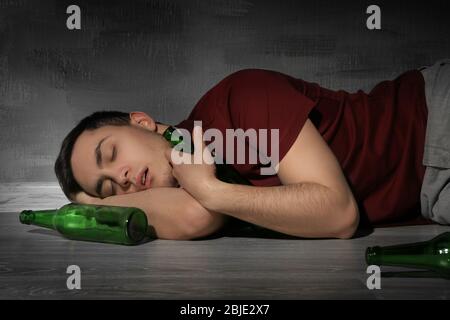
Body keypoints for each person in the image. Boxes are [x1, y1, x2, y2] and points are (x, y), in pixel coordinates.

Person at [54, 61, 449, 240]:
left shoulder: (237, 98)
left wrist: (212, 190)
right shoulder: (190, 188)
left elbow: (337, 213)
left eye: (111, 154)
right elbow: (195, 218)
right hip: (430, 198)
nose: (120, 177)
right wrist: (85, 204)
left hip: (432, 120)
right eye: (107, 188)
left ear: (140, 121)